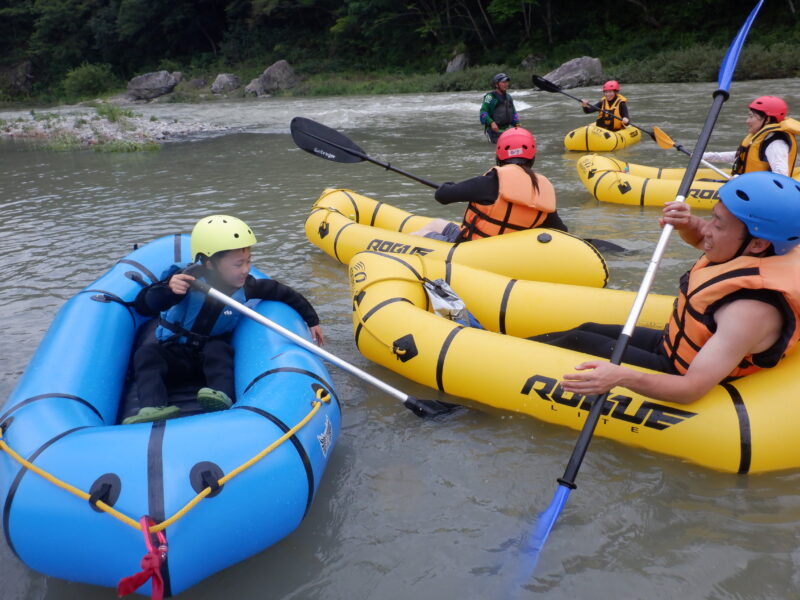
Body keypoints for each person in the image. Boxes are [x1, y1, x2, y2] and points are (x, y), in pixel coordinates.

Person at [533, 171, 800, 405]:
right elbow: (703, 239)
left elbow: (690, 389)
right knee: (586, 329)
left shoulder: (750, 313)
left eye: (718, 225)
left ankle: (496, 360)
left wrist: (622, 377)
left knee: (580, 342)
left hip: (677, 372)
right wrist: (688, 223)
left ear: (757, 245)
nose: (708, 230)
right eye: (712, 218)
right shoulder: (757, 250)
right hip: (671, 345)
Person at [124, 215, 324, 425]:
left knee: (219, 350)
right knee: (147, 354)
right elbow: (145, 304)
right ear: (210, 264)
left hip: (209, 359)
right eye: (238, 264)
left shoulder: (247, 287)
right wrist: (168, 291)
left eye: (248, 262)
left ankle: (220, 397)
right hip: (174, 352)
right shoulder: (184, 281)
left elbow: (284, 293)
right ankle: (153, 407)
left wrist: (312, 320)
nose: (246, 269)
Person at [411, 127, 567, 242]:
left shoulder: (490, 182)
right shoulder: (541, 191)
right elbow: (562, 231)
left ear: (499, 155)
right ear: (532, 156)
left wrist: (448, 186)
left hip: (469, 249)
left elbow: (442, 196)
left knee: (417, 236)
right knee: (436, 223)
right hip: (502, 254)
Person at [702, 96, 798, 176]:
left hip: (762, 191)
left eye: (751, 116)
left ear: (767, 119)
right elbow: (740, 155)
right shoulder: (764, 138)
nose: (747, 121)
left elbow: (781, 176)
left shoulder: (776, 144)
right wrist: (705, 156)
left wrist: (747, 183)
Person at [480, 73, 520, 143]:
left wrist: (517, 124)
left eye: (507, 82)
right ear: (496, 85)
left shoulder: (509, 97)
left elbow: (514, 113)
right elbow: (483, 112)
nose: (506, 84)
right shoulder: (490, 97)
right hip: (494, 132)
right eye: (503, 82)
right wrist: (491, 123)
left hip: (507, 131)